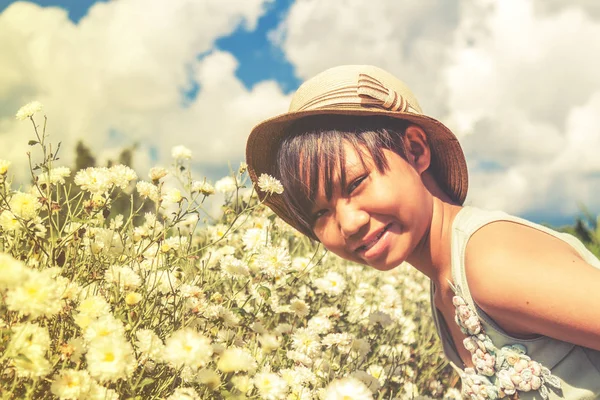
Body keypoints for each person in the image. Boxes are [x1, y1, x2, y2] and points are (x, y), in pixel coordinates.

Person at [245, 65, 600, 399]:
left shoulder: (488, 261)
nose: (348, 223)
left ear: (415, 151)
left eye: (355, 183)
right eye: (320, 212)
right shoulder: (445, 282)